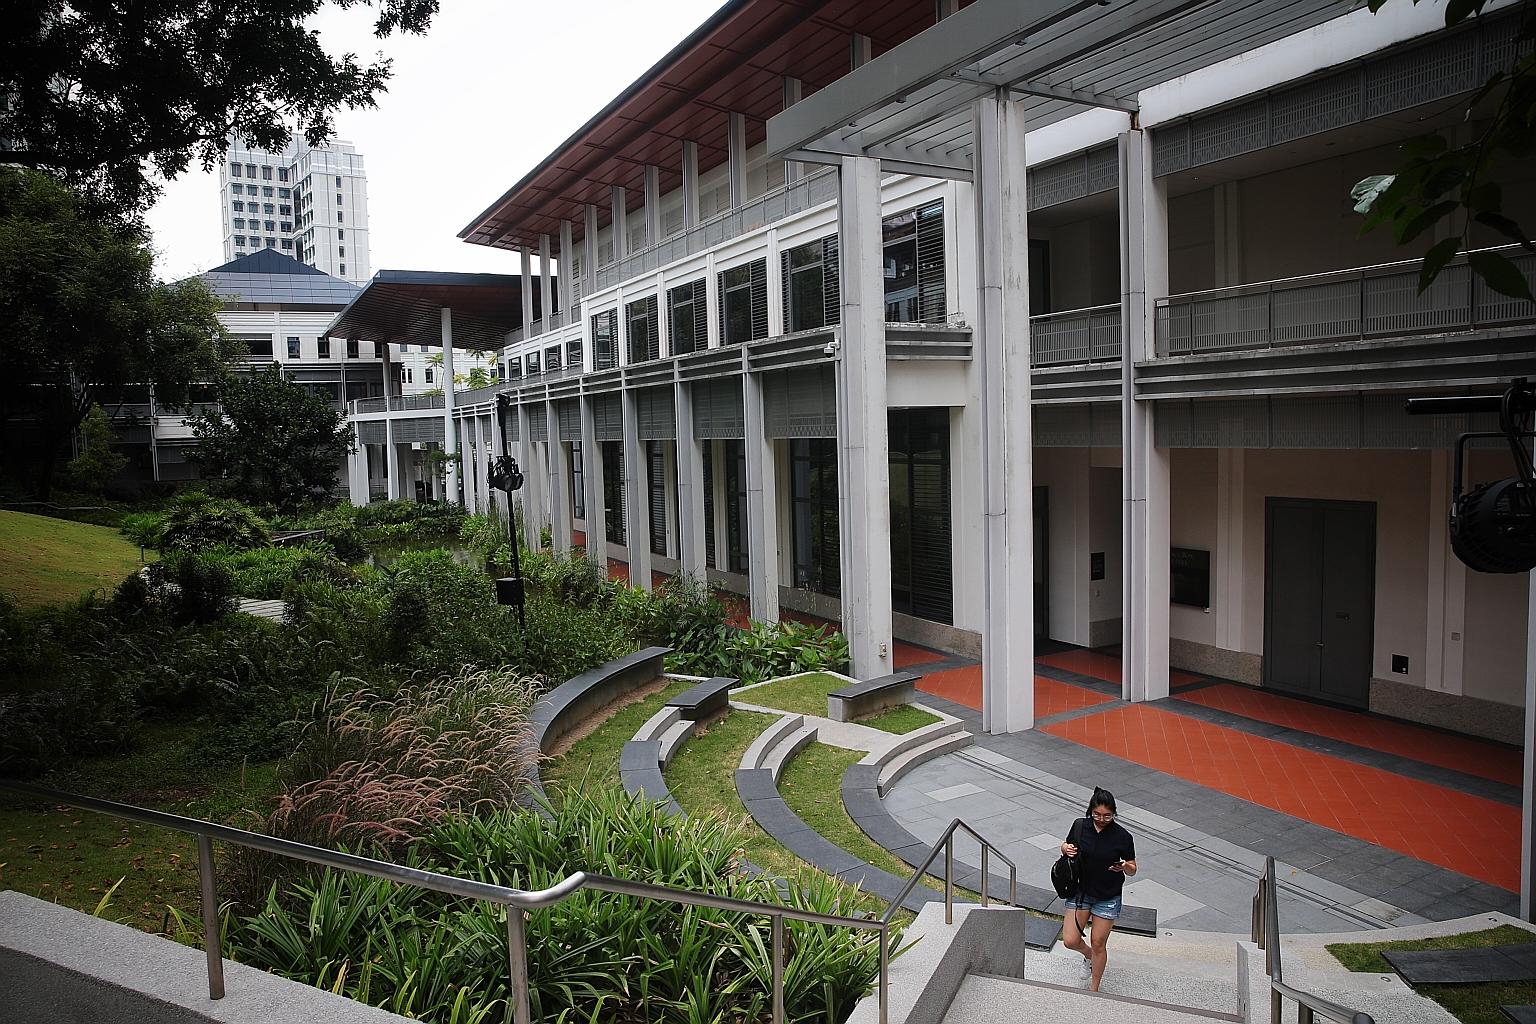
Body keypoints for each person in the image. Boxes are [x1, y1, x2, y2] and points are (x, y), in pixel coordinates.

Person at [1059, 786, 1137, 991]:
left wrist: (1125, 866)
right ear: (1090, 810)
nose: (1101, 819)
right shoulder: (1079, 826)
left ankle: (1094, 990)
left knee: (1099, 943)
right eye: (1097, 814)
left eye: (1107, 816)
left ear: (1114, 813)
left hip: (1107, 896)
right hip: (1081, 892)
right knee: (1069, 940)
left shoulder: (1123, 836)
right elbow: (1067, 846)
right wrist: (1064, 848)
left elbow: (1132, 869)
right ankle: (1088, 956)